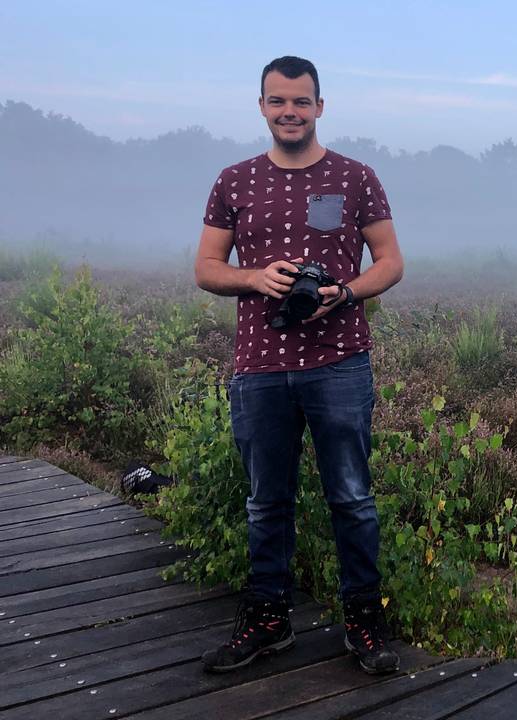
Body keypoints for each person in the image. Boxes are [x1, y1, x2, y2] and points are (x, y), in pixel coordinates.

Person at [194, 55, 404, 675]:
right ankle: (268, 623)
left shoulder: (356, 176)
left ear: (320, 106)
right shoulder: (233, 180)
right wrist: (256, 277)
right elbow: (206, 268)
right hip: (259, 366)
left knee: (353, 498)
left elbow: (390, 260)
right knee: (266, 502)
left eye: (301, 101)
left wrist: (347, 291)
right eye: (278, 101)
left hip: (339, 362)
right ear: (261, 106)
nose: (290, 112)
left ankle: (364, 624)